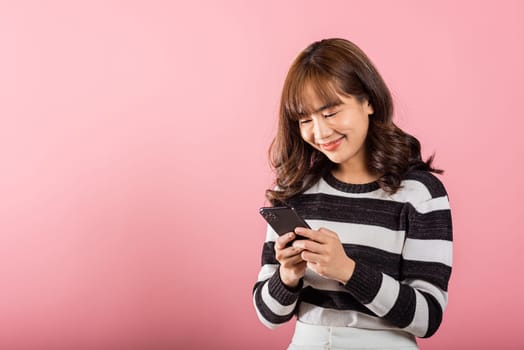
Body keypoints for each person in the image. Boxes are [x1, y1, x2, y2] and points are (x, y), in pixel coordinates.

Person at [252, 38, 453, 350]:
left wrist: (348, 270)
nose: (319, 133)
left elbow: (428, 318)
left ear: (368, 101)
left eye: (331, 112)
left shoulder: (419, 193)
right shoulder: (292, 190)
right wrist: (288, 274)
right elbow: (268, 316)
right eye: (305, 120)